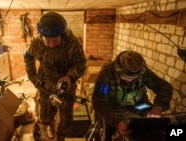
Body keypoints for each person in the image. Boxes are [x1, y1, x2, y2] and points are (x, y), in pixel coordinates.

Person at [23, 11, 86, 141]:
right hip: (45, 84)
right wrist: (34, 79)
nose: (51, 45)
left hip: (66, 85)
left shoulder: (72, 42)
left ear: (62, 35)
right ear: (41, 36)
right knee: (45, 114)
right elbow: (28, 59)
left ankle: (61, 136)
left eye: (55, 41)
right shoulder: (36, 43)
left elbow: (81, 64)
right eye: (47, 41)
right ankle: (48, 128)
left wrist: (69, 77)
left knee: (66, 118)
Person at [92, 51, 173, 141]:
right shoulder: (106, 75)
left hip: (139, 106)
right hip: (114, 110)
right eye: (126, 77)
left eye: (134, 78)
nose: (130, 81)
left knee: (154, 129)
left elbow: (164, 87)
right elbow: (100, 103)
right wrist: (117, 122)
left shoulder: (142, 71)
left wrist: (158, 106)